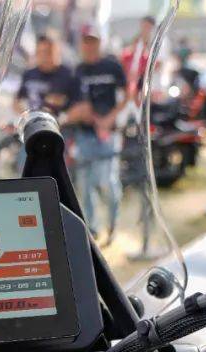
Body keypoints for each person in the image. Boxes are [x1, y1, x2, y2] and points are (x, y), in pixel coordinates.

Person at [72, 25, 127, 243]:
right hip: (85, 134)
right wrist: (91, 118)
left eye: (93, 41)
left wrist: (109, 119)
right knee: (86, 183)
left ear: (99, 43)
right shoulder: (78, 70)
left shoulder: (112, 66)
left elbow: (126, 95)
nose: (89, 46)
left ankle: (113, 224)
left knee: (108, 181)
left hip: (109, 133)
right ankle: (92, 229)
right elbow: (76, 101)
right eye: (86, 42)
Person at [15, 34, 81, 117]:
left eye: (48, 52)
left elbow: (79, 106)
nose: (44, 56)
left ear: (57, 52)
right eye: (40, 52)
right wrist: (26, 115)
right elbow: (17, 101)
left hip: (59, 121)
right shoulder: (29, 74)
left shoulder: (69, 76)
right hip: (33, 119)